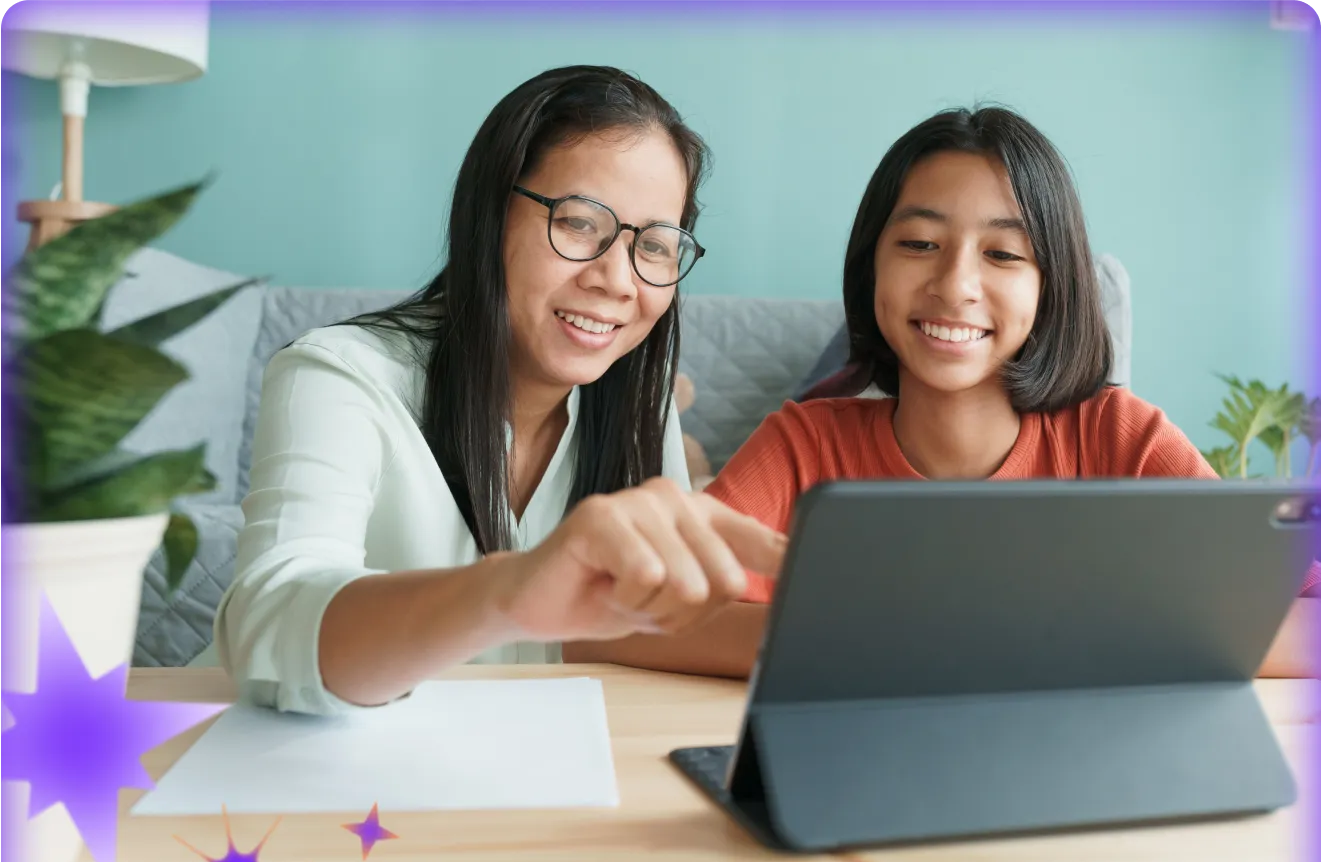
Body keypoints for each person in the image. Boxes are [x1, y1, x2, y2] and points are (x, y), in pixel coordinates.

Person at [563, 105, 1319, 679]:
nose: (955, 284)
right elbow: (611, 622)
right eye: (919, 243)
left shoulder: (1118, 437)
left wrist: (1055, 644)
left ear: (1050, 286)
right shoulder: (804, 443)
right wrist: (870, 641)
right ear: (870, 268)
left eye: (1003, 253)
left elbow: (1287, 610)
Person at [214, 65, 787, 715]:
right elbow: (267, 629)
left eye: (655, 246)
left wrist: (862, 641)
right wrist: (507, 592)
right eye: (578, 222)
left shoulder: (635, 397)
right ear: (488, 215)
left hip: (507, 769)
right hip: (281, 778)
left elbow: (632, 622)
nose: (617, 279)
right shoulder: (337, 374)